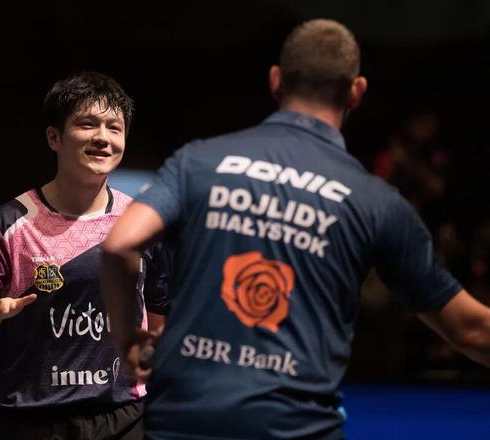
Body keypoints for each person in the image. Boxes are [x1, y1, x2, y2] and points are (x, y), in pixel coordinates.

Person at [101, 19, 490, 440]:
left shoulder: (198, 161)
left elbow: (120, 244)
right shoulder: (375, 199)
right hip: (296, 429)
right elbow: (469, 328)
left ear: (276, 80)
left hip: (182, 424)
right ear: (356, 91)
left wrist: (129, 341)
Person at [0, 72, 168, 440]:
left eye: (114, 128)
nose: (103, 137)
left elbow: (159, 316)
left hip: (124, 419)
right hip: (30, 423)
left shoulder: (143, 223)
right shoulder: (7, 224)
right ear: (54, 137)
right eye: (87, 124)